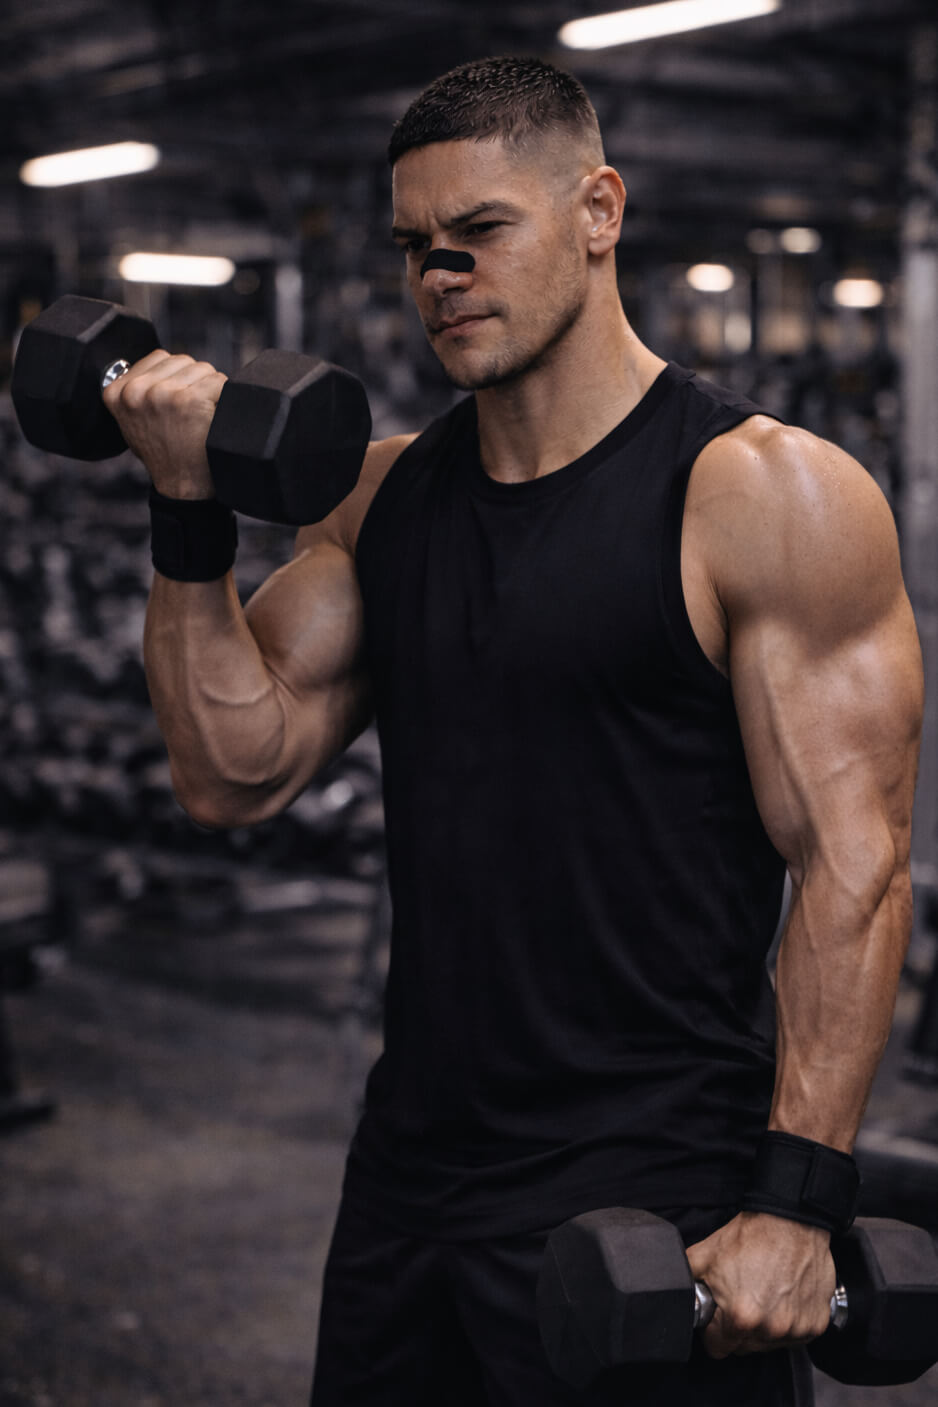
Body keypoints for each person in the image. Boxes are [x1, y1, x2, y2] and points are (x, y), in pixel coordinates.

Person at [101, 55, 922, 1407]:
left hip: (650, 1196)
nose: (440, 275)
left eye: (479, 233)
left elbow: (855, 865)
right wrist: (186, 515)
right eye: (415, 248)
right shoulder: (382, 502)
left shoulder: (757, 495)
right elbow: (230, 771)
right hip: (411, 1170)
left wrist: (794, 1200)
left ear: (598, 210)